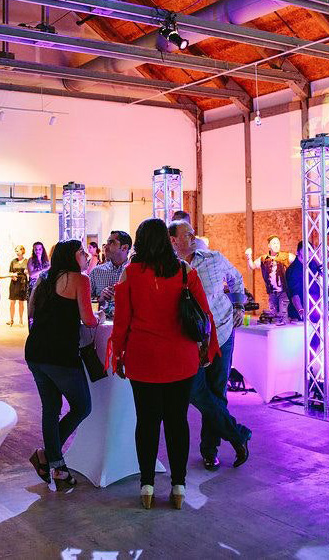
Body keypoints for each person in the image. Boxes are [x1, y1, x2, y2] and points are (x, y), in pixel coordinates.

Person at [106, 218, 218, 510]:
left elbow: (121, 323)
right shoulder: (184, 271)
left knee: (147, 422)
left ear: (140, 242)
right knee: (177, 422)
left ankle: (146, 485)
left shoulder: (129, 275)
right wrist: (206, 349)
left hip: (143, 360)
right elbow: (203, 313)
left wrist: (118, 355)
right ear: (167, 241)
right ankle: (179, 485)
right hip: (181, 360)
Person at [169, 220, 252, 471]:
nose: (192, 236)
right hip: (192, 340)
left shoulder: (213, 258)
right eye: (186, 234)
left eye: (192, 232)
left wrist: (239, 306)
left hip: (223, 331)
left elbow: (237, 279)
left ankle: (209, 451)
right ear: (173, 241)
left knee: (217, 393)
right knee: (195, 391)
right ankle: (238, 435)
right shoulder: (170, 268)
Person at [25, 239, 100, 491]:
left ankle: (53, 462)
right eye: (81, 251)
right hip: (60, 355)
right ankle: (50, 458)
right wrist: (100, 316)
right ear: (71, 256)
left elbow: (32, 314)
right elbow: (88, 320)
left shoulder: (44, 279)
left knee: (51, 408)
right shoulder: (81, 280)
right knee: (82, 406)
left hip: (36, 351)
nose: (85, 254)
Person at [245, 236, 290, 320]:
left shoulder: (286, 256)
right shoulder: (263, 259)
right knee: (273, 316)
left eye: (278, 243)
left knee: (283, 315)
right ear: (269, 245)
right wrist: (249, 257)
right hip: (272, 292)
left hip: (283, 291)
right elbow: (252, 266)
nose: (276, 245)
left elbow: (297, 260)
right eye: (274, 243)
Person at [89, 230, 132, 304]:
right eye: (107, 242)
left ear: (124, 248)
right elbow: (87, 300)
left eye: (111, 242)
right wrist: (100, 298)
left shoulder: (134, 272)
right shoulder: (96, 272)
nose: (105, 246)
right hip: (103, 315)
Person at [285, 241, 320, 321]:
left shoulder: (313, 264)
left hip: (315, 308)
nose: (308, 253)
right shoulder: (293, 270)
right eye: (305, 250)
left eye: (310, 250)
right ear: (297, 252)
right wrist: (300, 310)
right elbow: (294, 293)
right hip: (300, 312)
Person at [8, 245, 28, 326]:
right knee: (12, 302)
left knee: (21, 302)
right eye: (15, 251)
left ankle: (21, 320)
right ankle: (11, 319)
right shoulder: (13, 261)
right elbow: (10, 272)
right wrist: (12, 276)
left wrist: (27, 272)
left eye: (18, 250)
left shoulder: (27, 261)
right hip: (14, 282)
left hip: (22, 282)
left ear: (22, 251)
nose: (16, 252)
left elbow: (29, 271)